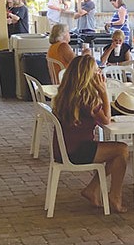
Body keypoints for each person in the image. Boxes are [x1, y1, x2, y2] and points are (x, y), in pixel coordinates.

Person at [52, 55, 129, 213]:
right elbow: (106, 120)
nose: (100, 72)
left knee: (117, 153)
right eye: (96, 70)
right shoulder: (87, 98)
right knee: (122, 150)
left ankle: (93, 189)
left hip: (63, 149)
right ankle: (115, 196)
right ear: (88, 75)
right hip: (76, 151)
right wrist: (104, 92)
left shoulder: (67, 93)